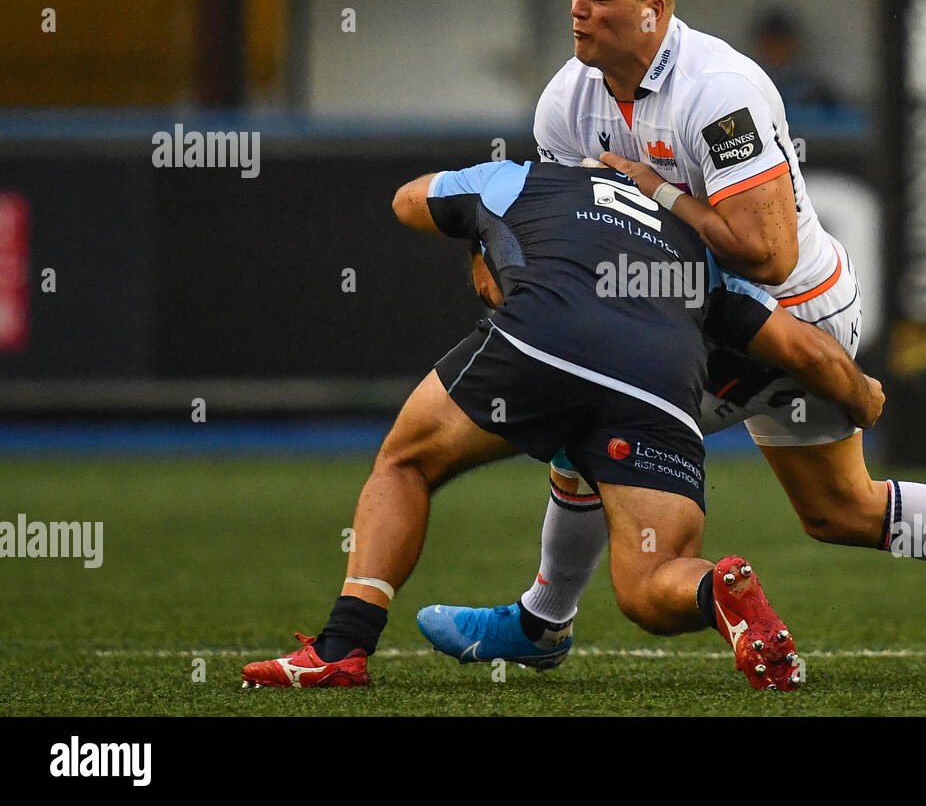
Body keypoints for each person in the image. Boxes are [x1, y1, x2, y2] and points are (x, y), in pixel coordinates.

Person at [423, 0, 926, 682]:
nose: (577, 7)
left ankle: (541, 622)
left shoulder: (718, 93)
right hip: (706, 320)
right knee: (842, 511)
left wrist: (655, 187)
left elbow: (767, 254)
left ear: (653, 12)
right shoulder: (567, 101)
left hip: (792, 314)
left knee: (586, 419)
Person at [240, 158, 885, 692]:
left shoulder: (514, 180)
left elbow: (407, 200)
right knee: (651, 581)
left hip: (544, 341)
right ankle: (718, 589)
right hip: (661, 384)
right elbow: (810, 353)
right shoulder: (696, 248)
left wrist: (477, 223)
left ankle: (341, 648)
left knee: (405, 462)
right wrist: (864, 401)